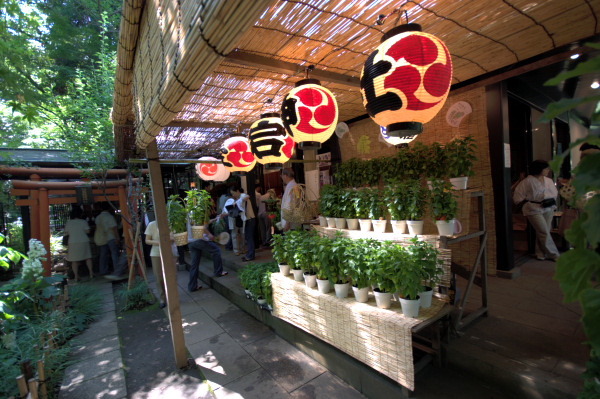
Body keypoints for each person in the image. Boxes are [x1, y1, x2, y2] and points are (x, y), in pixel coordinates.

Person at [513, 160, 560, 261]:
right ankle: (554, 254)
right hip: (533, 208)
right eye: (546, 168)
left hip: (548, 207)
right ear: (539, 169)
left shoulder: (548, 180)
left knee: (544, 231)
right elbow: (517, 197)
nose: (548, 170)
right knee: (543, 231)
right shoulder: (527, 181)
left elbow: (555, 193)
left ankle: (540, 253)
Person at [187, 218, 228, 292]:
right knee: (216, 250)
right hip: (199, 239)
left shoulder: (188, 212)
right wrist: (208, 234)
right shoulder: (197, 210)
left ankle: (192, 286)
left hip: (190, 241)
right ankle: (218, 272)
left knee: (194, 264)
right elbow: (199, 225)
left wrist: (212, 220)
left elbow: (200, 223)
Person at [144, 210, 167, 308]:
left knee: (170, 276)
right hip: (156, 253)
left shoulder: (169, 223)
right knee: (159, 278)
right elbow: (147, 240)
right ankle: (162, 299)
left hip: (168, 253)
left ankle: (171, 296)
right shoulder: (152, 224)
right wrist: (157, 242)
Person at [64, 206, 93, 282]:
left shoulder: (69, 223)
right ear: (80, 214)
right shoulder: (83, 222)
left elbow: (66, 233)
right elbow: (87, 231)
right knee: (88, 257)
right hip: (83, 241)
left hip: (73, 242)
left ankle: (76, 277)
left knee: (74, 261)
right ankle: (91, 274)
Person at [95, 202, 121, 276]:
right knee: (114, 254)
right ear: (109, 208)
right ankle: (117, 270)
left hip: (103, 238)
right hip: (111, 237)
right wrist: (116, 238)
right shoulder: (110, 217)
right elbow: (113, 228)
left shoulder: (98, 217)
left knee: (103, 255)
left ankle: (103, 270)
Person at [232, 186, 256, 262]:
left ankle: (250, 255)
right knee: (249, 238)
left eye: (233, 193)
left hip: (249, 219)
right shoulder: (240, 197)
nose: (233, 195)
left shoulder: (242, 195)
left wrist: (237, 202)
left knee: (249, 238)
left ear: (237, 191)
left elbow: (247, 196)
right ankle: (249, 254)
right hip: (249, 219)